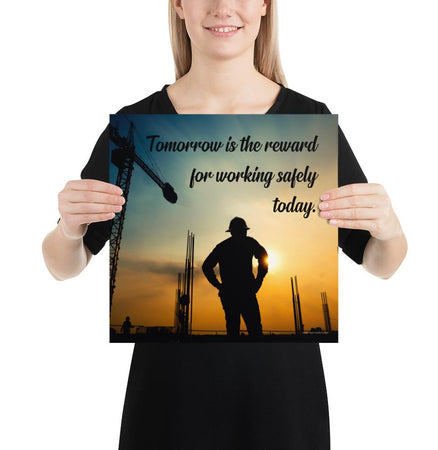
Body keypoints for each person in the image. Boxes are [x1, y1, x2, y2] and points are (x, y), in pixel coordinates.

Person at [42, 0, 407, 448]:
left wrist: (388, 228)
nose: (222, 7)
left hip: (284, 406)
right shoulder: (136, 127)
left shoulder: (308, 122)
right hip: (169, 406)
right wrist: (68, 228)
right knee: (238, 322)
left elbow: (380, 262)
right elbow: (63, 265)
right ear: (178, 5)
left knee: (246, 323)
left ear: (264, 6)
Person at [202, 217, 268, 339]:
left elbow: (206, 266)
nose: (244, 233)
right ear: (235, 232)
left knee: (237, 331)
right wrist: (258, 280)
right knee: (252, 331)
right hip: (242, 293)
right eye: (242, 231)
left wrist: (219, 286)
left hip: (235, 293)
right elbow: (263, 257)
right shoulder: (248, 243)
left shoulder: (224, 247)